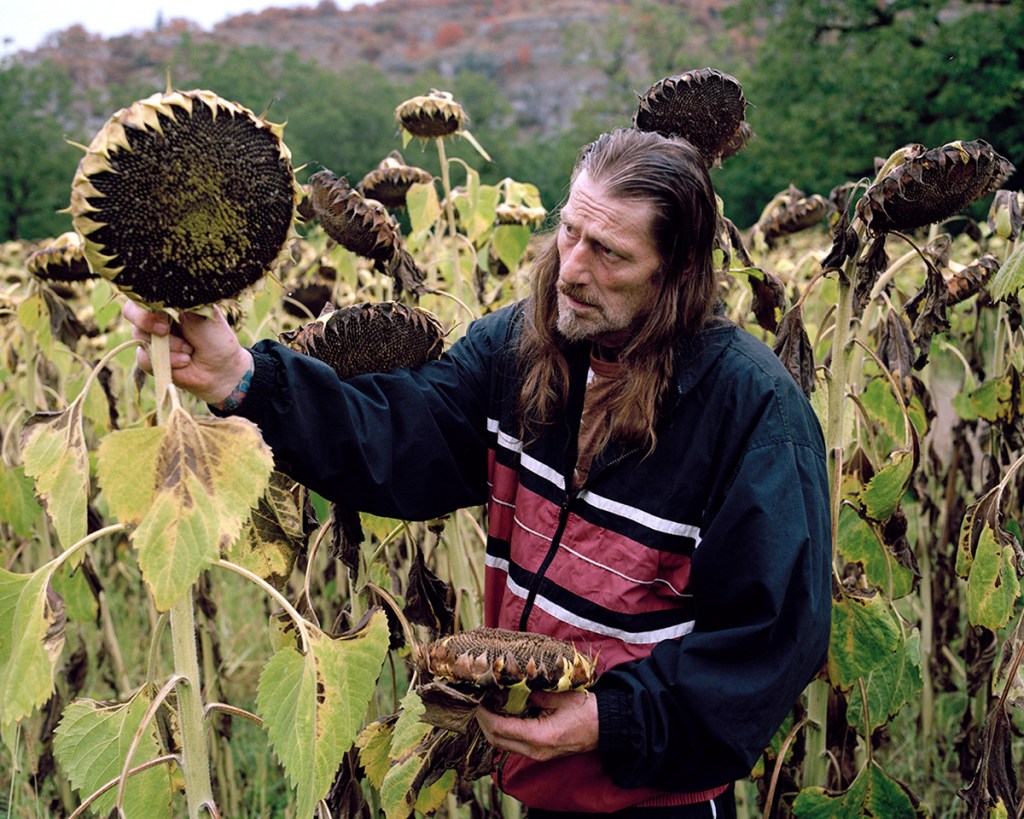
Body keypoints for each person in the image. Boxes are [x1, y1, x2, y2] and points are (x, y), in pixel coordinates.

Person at [124, 128, 832, 818]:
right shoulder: (520, 348)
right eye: (571, 232)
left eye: (610, 253)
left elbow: (770, 638)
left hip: (653, 791)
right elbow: (402, 434)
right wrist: (242, 376)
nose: (574, 267)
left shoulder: (751, 410)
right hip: (544, 780)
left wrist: (605, 719)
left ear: (675, 272)